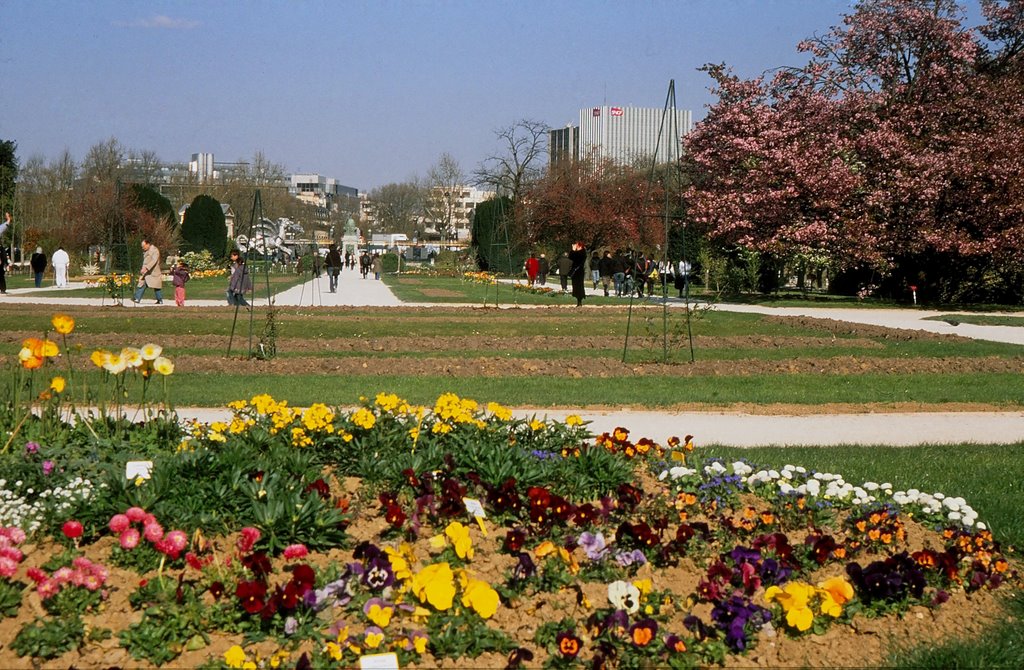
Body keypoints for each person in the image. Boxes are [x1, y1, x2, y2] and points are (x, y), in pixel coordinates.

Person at [132, 238, 163, 304]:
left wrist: (146, 268)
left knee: (156, 286)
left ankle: (159, 299)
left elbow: (154, 261)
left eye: (143, 246)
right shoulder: (146, 251)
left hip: (153, 272)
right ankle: (137, 297)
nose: (142, 248)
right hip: (147, 272)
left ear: (148, 244)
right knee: (142, 284)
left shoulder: (155, 250)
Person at [569, 242, 588, 307]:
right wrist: (573, 250)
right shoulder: (579, 253)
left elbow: (573, 257)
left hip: (578, 271)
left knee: (579, 285)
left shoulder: (582, 253)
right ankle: (578, 300)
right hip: (577, 271)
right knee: (576, 285)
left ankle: (579, 300)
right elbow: (571, 257)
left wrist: (573, 250)